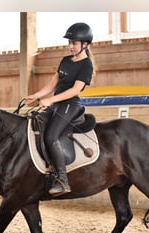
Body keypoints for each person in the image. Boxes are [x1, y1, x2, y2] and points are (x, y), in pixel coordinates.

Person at [25, 22, 94, 196]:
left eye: (74, 43)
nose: (70, 46)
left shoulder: (86, 65)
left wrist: (50, 100)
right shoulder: (65, 61)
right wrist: (35, 95)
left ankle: (63, 180)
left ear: (85, 44)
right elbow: (52, 84)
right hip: (57, 102)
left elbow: (74, 90)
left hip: (71, 105)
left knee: (51, 135)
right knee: (35, 123)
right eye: (69, 43)